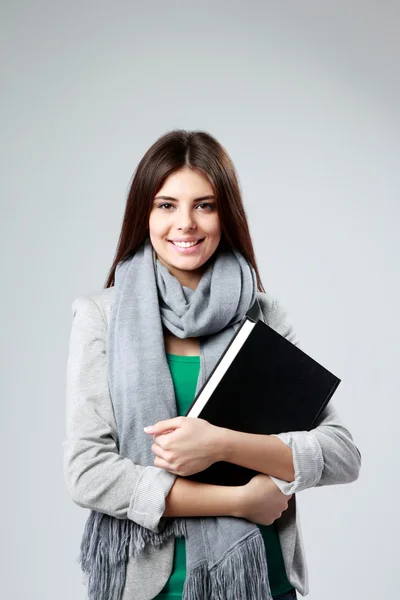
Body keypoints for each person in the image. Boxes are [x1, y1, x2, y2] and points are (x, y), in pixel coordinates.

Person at [63, 129, 362, 600]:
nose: (186, 223)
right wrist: (239, 500)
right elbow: (89, 473)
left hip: (259, 583)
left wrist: (220, 444)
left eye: (204, 205)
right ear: (144, 212)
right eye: (166, 205)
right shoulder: (101, 315)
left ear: (226, 215)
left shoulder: (262, 314)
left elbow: (342, 454)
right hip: (153, 589)